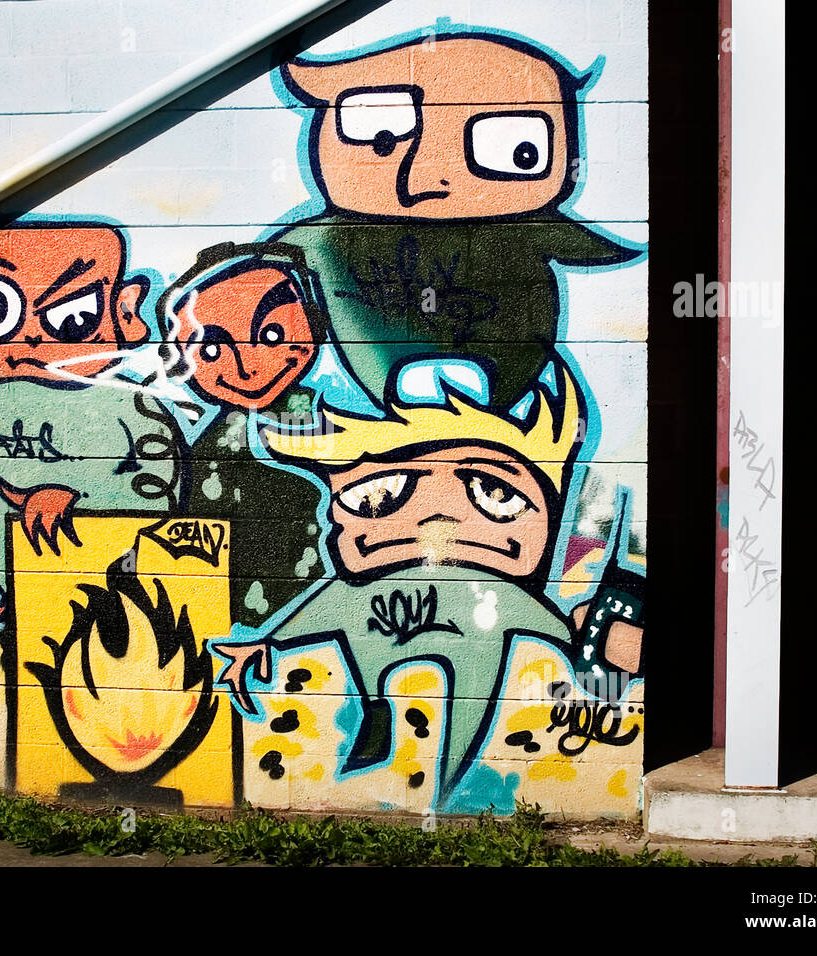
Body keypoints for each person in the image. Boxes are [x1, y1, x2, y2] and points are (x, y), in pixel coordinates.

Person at [213, 357, 641, 805]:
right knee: (387, 698)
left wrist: (591, 634)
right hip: (376, 683)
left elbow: (558, 629)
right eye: (377, 495)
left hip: (481, 701)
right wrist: (265, 645)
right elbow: (322, 609)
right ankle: (386, 738)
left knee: (463, 723)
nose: (438, 519)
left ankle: (445, 784)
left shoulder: (502, 598)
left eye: (494, 494)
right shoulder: (359, 592)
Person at [274, 29, 643, 409]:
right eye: (382, 134)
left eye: (516, 147)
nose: (424, 180)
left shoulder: (531, 232)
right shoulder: (324, 240)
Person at [0, 221, 183, 685]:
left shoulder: (131, 406)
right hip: (10, 624)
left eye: (73, 316)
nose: (30, 337)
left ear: (126, 312)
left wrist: (82, 500)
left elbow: (158, 503)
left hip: (112, 617)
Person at [157, 242, 329, 630]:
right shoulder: (215, 443)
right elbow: (201, 527)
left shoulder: (318, 417)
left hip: (305, 609)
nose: (247, 366)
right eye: (213, 349)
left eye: (270, 334)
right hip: (245, 617)